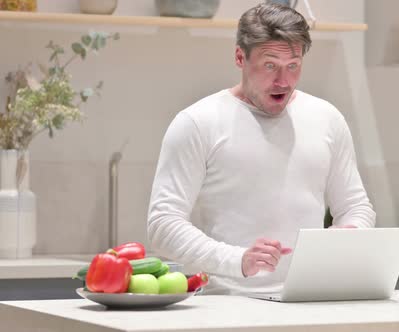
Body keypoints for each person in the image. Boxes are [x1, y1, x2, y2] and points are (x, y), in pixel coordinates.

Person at [147, 3, 376, 295]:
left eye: (293, 66)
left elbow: (356, 207)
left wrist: (351, 233)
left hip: (312, 300)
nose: (283, 81)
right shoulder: (197, 122)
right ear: (240, 57)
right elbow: (163, 225)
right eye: (270, 65)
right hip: (228, 306)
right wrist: (238, 259)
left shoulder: (327, 118)